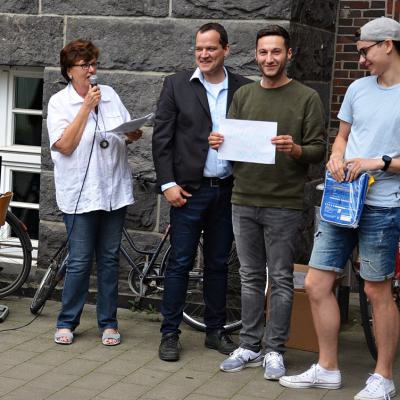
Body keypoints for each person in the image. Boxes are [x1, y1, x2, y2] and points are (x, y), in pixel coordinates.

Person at [279, 17, 400, 400]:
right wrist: (336, 157)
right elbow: (342, 137)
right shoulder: (358, 89)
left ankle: (383, 377)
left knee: (376, 290)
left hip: (383, 204)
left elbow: (379, 157)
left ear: (388, 45)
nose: (361, 59)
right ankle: (328, 368)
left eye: (365, 51)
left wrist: (377, 162)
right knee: (316, 284)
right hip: (341, 201)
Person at [209, 25, 326, 378]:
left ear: (289, 55)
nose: (269, 59)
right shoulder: (244, 96)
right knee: (248, 275)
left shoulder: (307, 98)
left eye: (276, 52)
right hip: (243, 198)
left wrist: (297, 150)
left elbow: (319, 150)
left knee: (280, 278)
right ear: (256, 55)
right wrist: (219, 141)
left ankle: (274, 349)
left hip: (284, 203)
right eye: (263, 52)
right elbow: (235, 144)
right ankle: (249, 344)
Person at [152, 22, 250, 361]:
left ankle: (215, 332)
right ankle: (169, 334)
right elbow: (161, 139)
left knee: (219, 265)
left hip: (227, 190)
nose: (204, 54)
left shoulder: (245, 88)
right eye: (199, 48)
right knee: (179, 263)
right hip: (188, 192)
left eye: (210, 48)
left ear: (226, 49)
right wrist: (168, 185)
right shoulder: (177, 85)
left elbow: (250, 140)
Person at [47, 39, 142, 346]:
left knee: (110, 259)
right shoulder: (59, 102)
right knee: (79, 261)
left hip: (113, 189)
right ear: (69, 71)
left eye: (93, 64)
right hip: (80, 194)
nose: (91, 70)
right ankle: (67, 321)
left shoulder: (110, 95)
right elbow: (65, 145)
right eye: (84, 65)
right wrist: (86, 107)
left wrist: (132, 132)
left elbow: (128, 133)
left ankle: (109, 323)